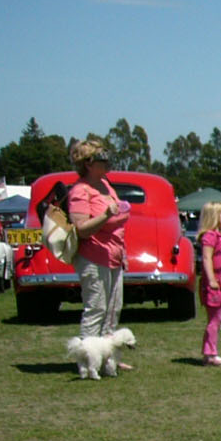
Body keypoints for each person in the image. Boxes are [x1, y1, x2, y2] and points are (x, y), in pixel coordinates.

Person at [66, 138, 133, 362]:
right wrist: (106, 215)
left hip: (114, 256)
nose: (108, 163)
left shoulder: (106, 185)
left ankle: (109, 359)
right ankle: (88, 360)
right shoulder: (80, 191)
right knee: (96, 309)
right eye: (102, 159)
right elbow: (82, 229)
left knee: (113, 309)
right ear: (88, 163)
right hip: (93, 257)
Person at [196, 201, 221, 366]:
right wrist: (211, 279)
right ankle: (210, 353)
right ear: (214, 217)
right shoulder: (209, 236)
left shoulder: (220, 237)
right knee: (215, 319)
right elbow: (206, 258)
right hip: (215, 285)